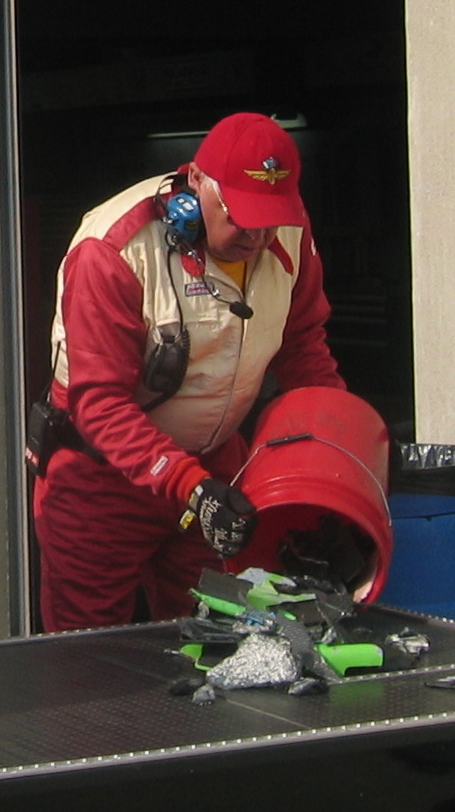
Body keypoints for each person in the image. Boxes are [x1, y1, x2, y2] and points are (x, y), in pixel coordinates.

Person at [32, 112, 345, 632]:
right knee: (87, 658)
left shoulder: (288, 233)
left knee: (219, 638)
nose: (257, 235)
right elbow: (99, 404)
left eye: (270, 217)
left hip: (215, 470)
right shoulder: (113, 250)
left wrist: (338, 458)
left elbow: (305, 347)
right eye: (241, 215)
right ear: (197, 180)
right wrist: (192, 488)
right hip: (101, 481)